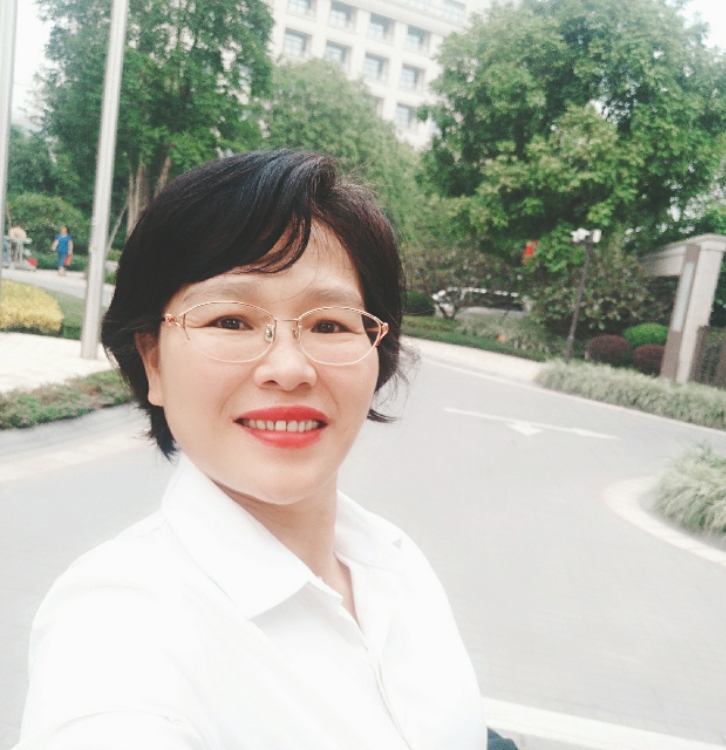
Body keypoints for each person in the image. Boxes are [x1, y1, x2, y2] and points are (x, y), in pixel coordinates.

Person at [15, 151, 492, 750]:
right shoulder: (115, 625)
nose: (289, 369)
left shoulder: (394, 561)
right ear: (152, 360)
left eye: (330, 325)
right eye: (231, 321)